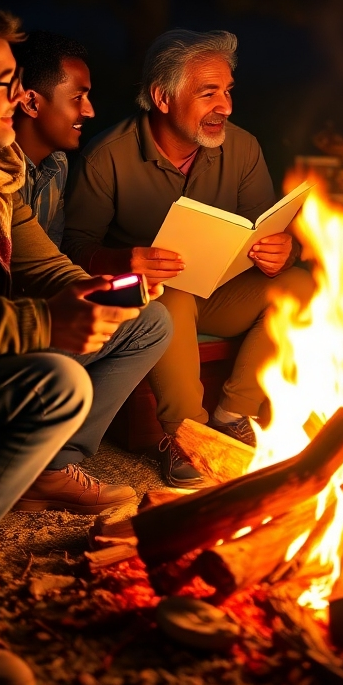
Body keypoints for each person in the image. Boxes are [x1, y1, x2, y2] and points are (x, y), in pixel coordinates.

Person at [0, 0, 171, 685]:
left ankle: (36, 468)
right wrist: (45, 325)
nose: (18, 98)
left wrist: (108, 295)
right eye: (1, 83)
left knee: (142, 321)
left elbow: (43, 267)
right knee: (55, 380)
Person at [62, 29, 313, 487]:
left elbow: (269, 227)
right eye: (208, 93)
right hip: (145, 303)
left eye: (228, 91)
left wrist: (284, 249)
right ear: (162, 97)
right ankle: (187, 435)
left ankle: (234, 414)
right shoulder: (107, 158)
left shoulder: (243, 148)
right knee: (169, 299)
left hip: (218, 293)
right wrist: (125, 261)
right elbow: (73, 250)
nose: (226, 106)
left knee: (300, 284)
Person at [11, 32, 95, 247]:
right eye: (78, 97)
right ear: (31, 103)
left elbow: (51, 254)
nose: (89, 111)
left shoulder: (58, 164)